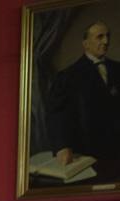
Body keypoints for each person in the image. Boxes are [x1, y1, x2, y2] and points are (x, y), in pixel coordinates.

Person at [47, 21, 120, 166]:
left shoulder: (118, 68)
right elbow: (57, 113)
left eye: (107, 36)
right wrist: (63, 146)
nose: (106, 41)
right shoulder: (68, 76)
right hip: (88, 150)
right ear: (86, 44)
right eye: (100, 37)